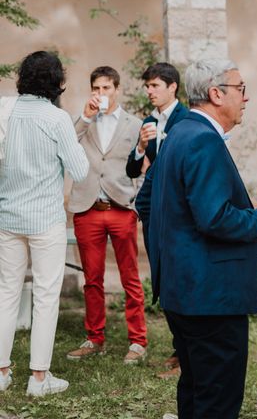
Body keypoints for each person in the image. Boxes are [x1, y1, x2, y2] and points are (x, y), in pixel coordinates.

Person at [147, 59, 257, 419]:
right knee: (217, 400)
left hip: (183, 289)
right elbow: (214, 218)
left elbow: (149, 204)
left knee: (195, 390)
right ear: (216, 94)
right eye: (240, 88)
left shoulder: (177, 134)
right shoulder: (203, 139)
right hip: (211, 296)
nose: (246, 97)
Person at [0, 51, 89, 396]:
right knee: (46, 296)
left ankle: (3, 372)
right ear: (57, 82)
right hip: (44, 220)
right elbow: (80, 171)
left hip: (7, 216)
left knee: (6, 293)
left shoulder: (4, 109)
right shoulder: (57, 119)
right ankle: (38, 379)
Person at [66, 66, 148, 364]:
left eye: (106, 88)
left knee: (130, 276)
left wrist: (135, 199)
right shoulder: (82, 121)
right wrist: (86, 117)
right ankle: (94, 338)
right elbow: (67, 145)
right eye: (96, 89)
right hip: (88, 209)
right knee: (92, 278)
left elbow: (140, 165)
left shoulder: (135, 123)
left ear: (117, 89)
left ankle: (138, 341)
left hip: (120, 208)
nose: (100, 94)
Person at [126, 62, 189, 379]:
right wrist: (140, 146)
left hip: (179, 214)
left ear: (172, 86)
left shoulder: (187, 120)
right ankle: (180, 348)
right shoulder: (148, 122)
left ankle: (187, 354)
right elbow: (132, 170)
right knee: (162, 279)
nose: (149, 91)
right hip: (152, 212)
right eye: (147, 86)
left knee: (180, 278)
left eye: (154, 86)